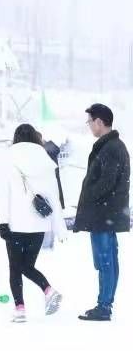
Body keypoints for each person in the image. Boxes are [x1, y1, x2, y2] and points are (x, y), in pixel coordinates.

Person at [0, 124, 67, 323]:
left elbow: (1, 193)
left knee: (16, 267)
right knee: (27, 265)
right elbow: (54, 196)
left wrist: (2, 221)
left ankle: (21, 307)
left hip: (15, 225)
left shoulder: (7, 158)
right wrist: (59, 227)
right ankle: (47, 291)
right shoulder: (46, 160)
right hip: (39, 225)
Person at [73, 103, 130, 321]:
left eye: (90, 121)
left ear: (99, 121)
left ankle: (104, 306)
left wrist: (88, 195)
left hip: (104, 214)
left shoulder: (111, 147)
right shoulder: (111, 145)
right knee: (108, 259)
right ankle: (105, 303)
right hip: (107, 214)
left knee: (105, 260)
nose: (89, 125)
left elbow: (107, 181)